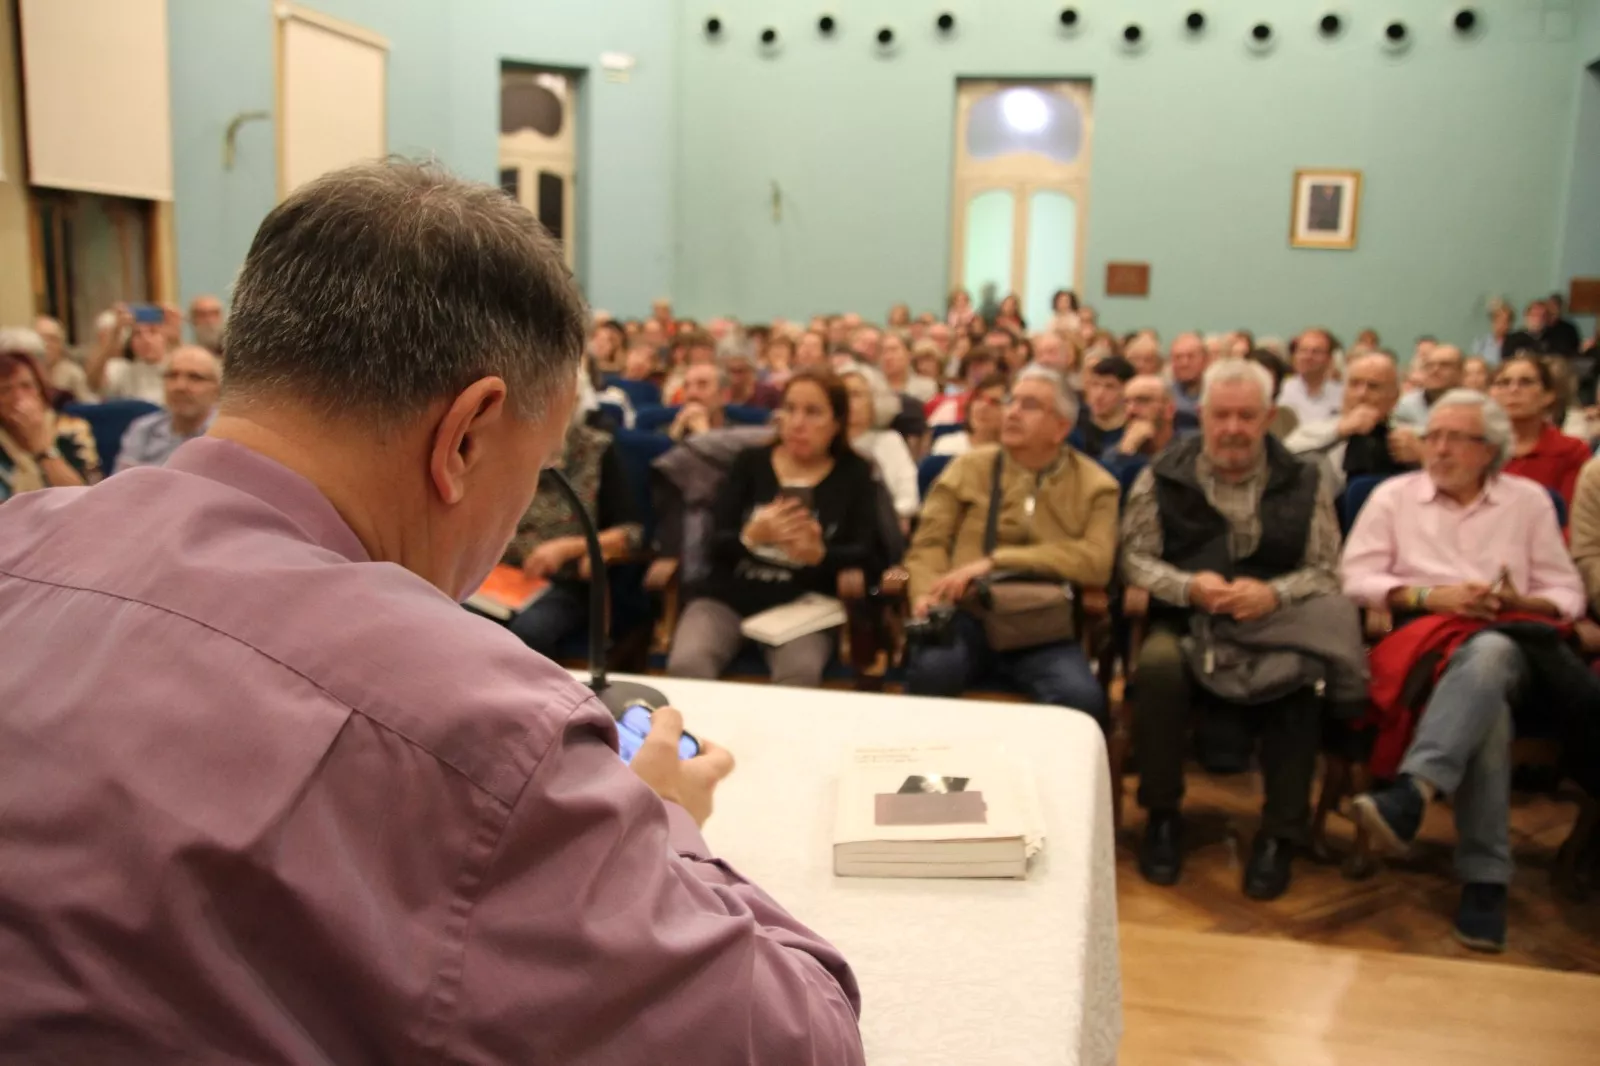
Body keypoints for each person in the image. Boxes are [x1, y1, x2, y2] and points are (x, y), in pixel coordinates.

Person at [0, 161, 864, 1061]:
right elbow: (801, 1040)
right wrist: (656, 832)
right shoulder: (478, 731)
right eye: (531, 469)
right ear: (465, 437)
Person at [1342, 391, 1586, 953]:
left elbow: (1567, 593)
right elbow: (1355, 578)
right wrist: (1435, 595)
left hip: (1516, 649)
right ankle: (1485, 881)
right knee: (1490, 712)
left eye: (1456, 437)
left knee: (1495, 648)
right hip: (1420, 649)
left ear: (1490, 450)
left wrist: (1521, 599)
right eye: (1433, 435)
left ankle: (1413, 792)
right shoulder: (1392, 496)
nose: (1440, 448)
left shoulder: (1528, 503)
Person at [1122, 359, 1344, 900]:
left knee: (1301, 683)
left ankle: (1279, 834)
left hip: (1274, 622)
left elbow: (1325, 568)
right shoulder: (1164, 472)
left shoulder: (1306, 477)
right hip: (1187, 617)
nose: (1233, 429)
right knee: (1156, 670)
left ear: (1269, 416)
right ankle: (1162, 815)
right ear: (1203, 414)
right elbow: (1134, 558)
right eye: (1222, 415)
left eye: (1247, 416)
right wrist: (1188, 587)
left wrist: (1274, 594)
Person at [903, 366, 1116, 722]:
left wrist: (996, 561)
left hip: (1041, 623)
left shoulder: (1096, 485)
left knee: (1081, 701)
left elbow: (1097, 560)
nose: (1012, 411)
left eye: (1029, 405)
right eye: (1011, 401)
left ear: (1061, 427)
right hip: (966, 612)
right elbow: (927, 545)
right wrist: (925, 593)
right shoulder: (967, 468)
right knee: (932, 674)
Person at [666, 369, 879, 688]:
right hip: (727, 597)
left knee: (799, 675)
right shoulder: (750, 462)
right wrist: (750, 538)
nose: (797, 422)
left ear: (837, 423)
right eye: (790, 409)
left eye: (813, 412)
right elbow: (713, 543)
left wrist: (820, 554)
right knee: (687, 665)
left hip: (803, 606)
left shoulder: (855, 473)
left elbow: (872, 558)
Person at [504, 405, 643, 658]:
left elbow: (631, 533)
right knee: (453, 622)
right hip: (498, 578)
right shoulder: (505, 447)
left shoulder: (597, 450)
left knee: (529, 631)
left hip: (561, 584)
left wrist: (566, 548)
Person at [1285, 350, 1415, 490]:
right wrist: (1340, 431)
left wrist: (1421, 458)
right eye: (1354, 384)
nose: (1362, 394)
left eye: (1373, 386)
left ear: (1394, 397)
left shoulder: (1410, 435)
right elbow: (1284, 455)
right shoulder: (1319, 430)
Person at [1488, 354, 1591, 511]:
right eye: (1504, 383)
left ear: (1548, 395)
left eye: (1526, 382)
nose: (1513, 390)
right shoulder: (1476, 449)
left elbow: (1573, 519)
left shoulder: (1572, 451)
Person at [0, 349, 101, 499]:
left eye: (26, 386)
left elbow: (84, 498)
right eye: (5, 390)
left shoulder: (72, 429)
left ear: (41, 390)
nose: (18, 397)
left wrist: (44, 450)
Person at [114, 346, 222, 472]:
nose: (180, 386)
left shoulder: (226, 436)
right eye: (172, 376)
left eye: (195, 377)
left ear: (218, 390)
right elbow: (119, 487)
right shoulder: (143, 429)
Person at [840, 364, 918, 525]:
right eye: (842, 395)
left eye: (855, 395)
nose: (847, 402)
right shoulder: (825, 443)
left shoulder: (890, 442)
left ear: (875, 400)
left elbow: (908, 497)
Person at [1102, 374, 1181, 493]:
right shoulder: (1112, 456)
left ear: (1169, 410)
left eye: (1143, 400)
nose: (1131, 410)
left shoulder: (1187, 454)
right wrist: (1126, 454)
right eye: (1126, 402)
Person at [1391, 344, 1465, 462]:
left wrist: (1422, 450)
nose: (1435, 370)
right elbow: (1401, 448)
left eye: (1444, 365)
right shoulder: (1407, 404)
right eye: (1429, 366)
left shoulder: (1474, 407)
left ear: (1461, 372)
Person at [86, 305, 170, 406]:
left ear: (165, 337)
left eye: (153, 332)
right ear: (131, 342)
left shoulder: (175, 369)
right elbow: (93, 383)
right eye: (137, 334)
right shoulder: (122, 369)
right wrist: (114, 335)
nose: (145, 339)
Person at [1069, 355, 1134, 462]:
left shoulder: (1132, 428)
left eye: (1110, 387)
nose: (1099, 395)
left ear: (1127, 391)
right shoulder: (1075, 424)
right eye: (1095, 385)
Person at [1277, 328, 1344, 426]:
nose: (1308, 356)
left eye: (1316, 352)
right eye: (1303, 350)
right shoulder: (1281, 391)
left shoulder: (1342, 395)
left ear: (1329, 359)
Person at [931, 372, 1006, 458]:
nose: (982, 407)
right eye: (978, 399)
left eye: (994, 402)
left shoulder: (1014, 454)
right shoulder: (947, 447)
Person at [33, 317, 96, 402]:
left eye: (53, 340)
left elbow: (87, 405)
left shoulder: (73, 373)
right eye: (43, 339)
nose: (47, 345)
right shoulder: (26, 373)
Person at [667, 363, 730, 442]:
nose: (691, 393)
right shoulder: (665, 429)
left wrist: (703, 435)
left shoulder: (740, 435)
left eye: (702, 385)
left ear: (724, 395)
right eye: (686, 386)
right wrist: (674, 436)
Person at [880, 330, 936, 403]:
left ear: (909, 354)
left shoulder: (927, 387)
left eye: (893, 350)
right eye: (883, 351)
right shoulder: (871, 386)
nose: (888, 357)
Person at [1168, 331, 1208, 420]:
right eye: (1178, 357)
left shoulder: (1216, 393)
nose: (1184, 363)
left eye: (1191, 357)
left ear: (1205, 360)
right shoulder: (1164, 395)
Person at [1472, 302, 1513, 366]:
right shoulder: (1481, 343)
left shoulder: (1515, 344)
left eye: (1506, 321)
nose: (1502, 324)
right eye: (1499, 320)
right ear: (1492, 322)